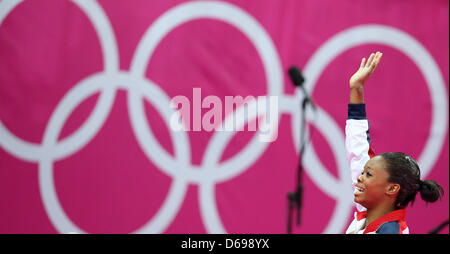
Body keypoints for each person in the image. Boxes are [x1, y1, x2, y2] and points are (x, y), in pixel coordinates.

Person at [345, 52, 444, 234]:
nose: (359, 177)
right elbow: (356, 146)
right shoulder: (370, 213)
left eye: (368, 174)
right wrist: (356, 89)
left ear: (391, 188)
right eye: (364, 172)